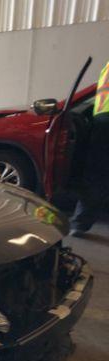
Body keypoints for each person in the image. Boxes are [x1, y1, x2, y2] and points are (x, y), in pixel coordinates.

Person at [70, 60, 109, 237]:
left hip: (101, 122)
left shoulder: (106, 66)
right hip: (103, 122)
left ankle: (80, 224)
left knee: (96, 175)